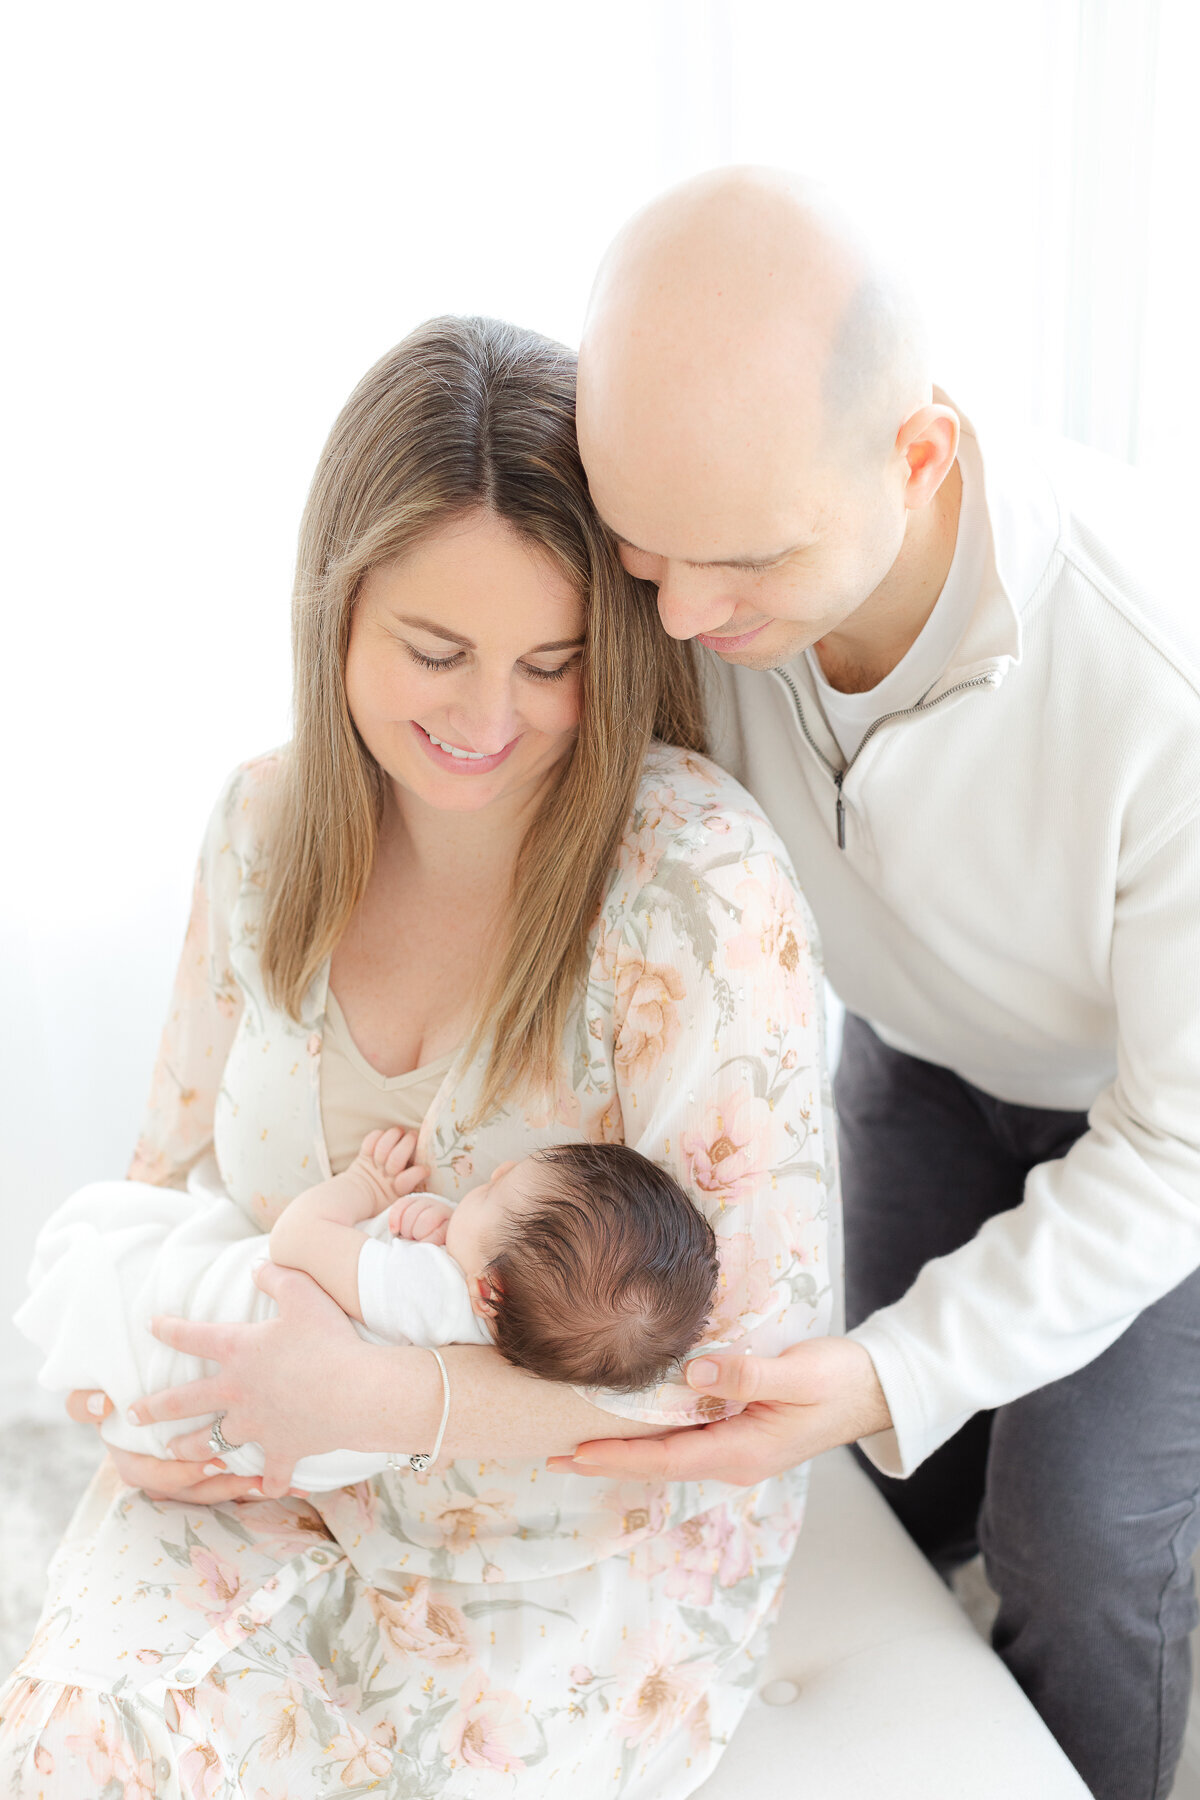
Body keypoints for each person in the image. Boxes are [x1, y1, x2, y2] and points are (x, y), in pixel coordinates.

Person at [0, 313, 836, 1799]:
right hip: (261, 1469)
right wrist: (128, 1423)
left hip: (564, 1545)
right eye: (434, 650)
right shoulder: (263, 832)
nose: (485, 719)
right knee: (82, 1744)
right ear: (335, 614)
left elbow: (743, 1385)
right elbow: (166, 1176)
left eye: (551, 661)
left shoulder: (696, 892)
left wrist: (391, 1407)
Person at [562, 165, 1200, 1800]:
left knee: (1071, 1536)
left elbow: (1175, 1151)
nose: (687, 621)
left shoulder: (1155, 677)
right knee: (865, 1477)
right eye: (648, 560)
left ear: (917, 460)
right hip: (917, 1058)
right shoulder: (698, 567)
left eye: (744, 568)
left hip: (1158, 1133)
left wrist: (901, 1363)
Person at [16, 1127, 719, 1486]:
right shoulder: (507, 1347)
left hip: (215, 1349)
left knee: (118, 1252)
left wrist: (365, 1186)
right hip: (278, 1448)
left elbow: (298, 1239)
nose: (494, 1174)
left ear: (489, 1290)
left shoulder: (426, 1292)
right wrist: (439, 1224)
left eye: (494, 1194)